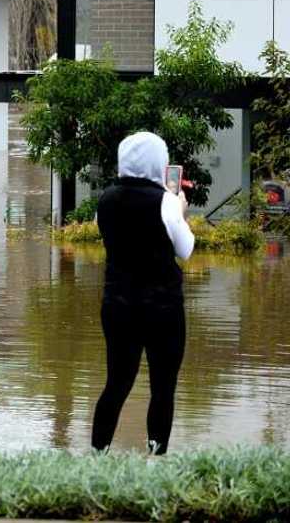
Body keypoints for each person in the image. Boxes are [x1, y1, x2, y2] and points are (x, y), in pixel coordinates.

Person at [91, 132, 194, 455]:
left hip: (117, 305)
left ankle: (97, 455)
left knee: (117, 383)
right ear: (159, 162)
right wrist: (180, 210)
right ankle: (155, 456)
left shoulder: (106, 198)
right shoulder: (166, 201)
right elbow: (186, 250)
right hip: (162, 307)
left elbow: (108, 235)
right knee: (163, 388)